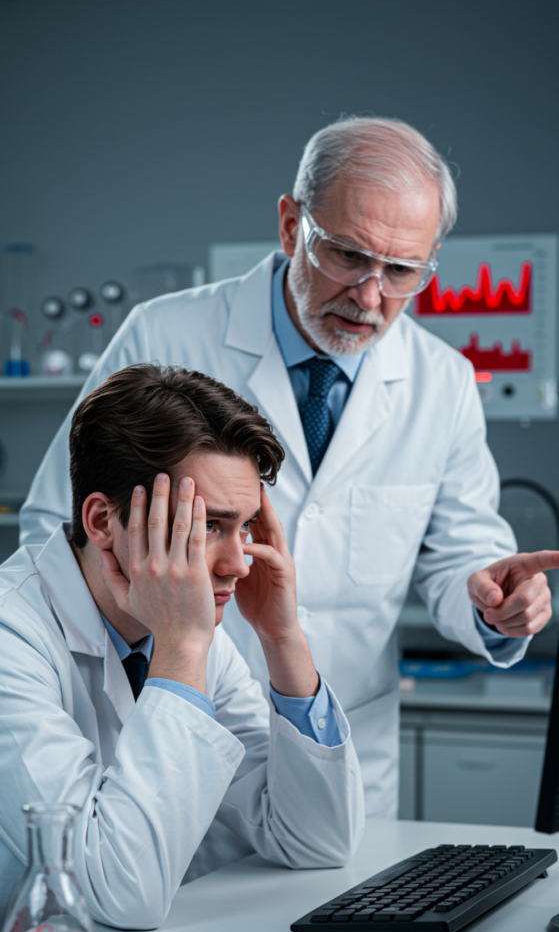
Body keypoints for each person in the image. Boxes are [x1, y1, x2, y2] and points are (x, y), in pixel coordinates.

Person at [19, 116, 559, 820]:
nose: (370, 297)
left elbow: (461, 554)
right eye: (346, 256)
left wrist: (493, 605)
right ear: (289, 225)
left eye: (400, 272)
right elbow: (62, 524)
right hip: (165, 741)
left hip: (336, 754)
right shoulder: (163, 335)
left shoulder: (443, 380)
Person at [0, 364, 364, 929]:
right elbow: (116, 894)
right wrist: (183, 647)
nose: (239, 563)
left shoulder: (180, 629)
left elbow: (318, 840)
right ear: (102, 520)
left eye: (244, 527)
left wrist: (282, 638)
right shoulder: (12, 635)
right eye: (207, 526)